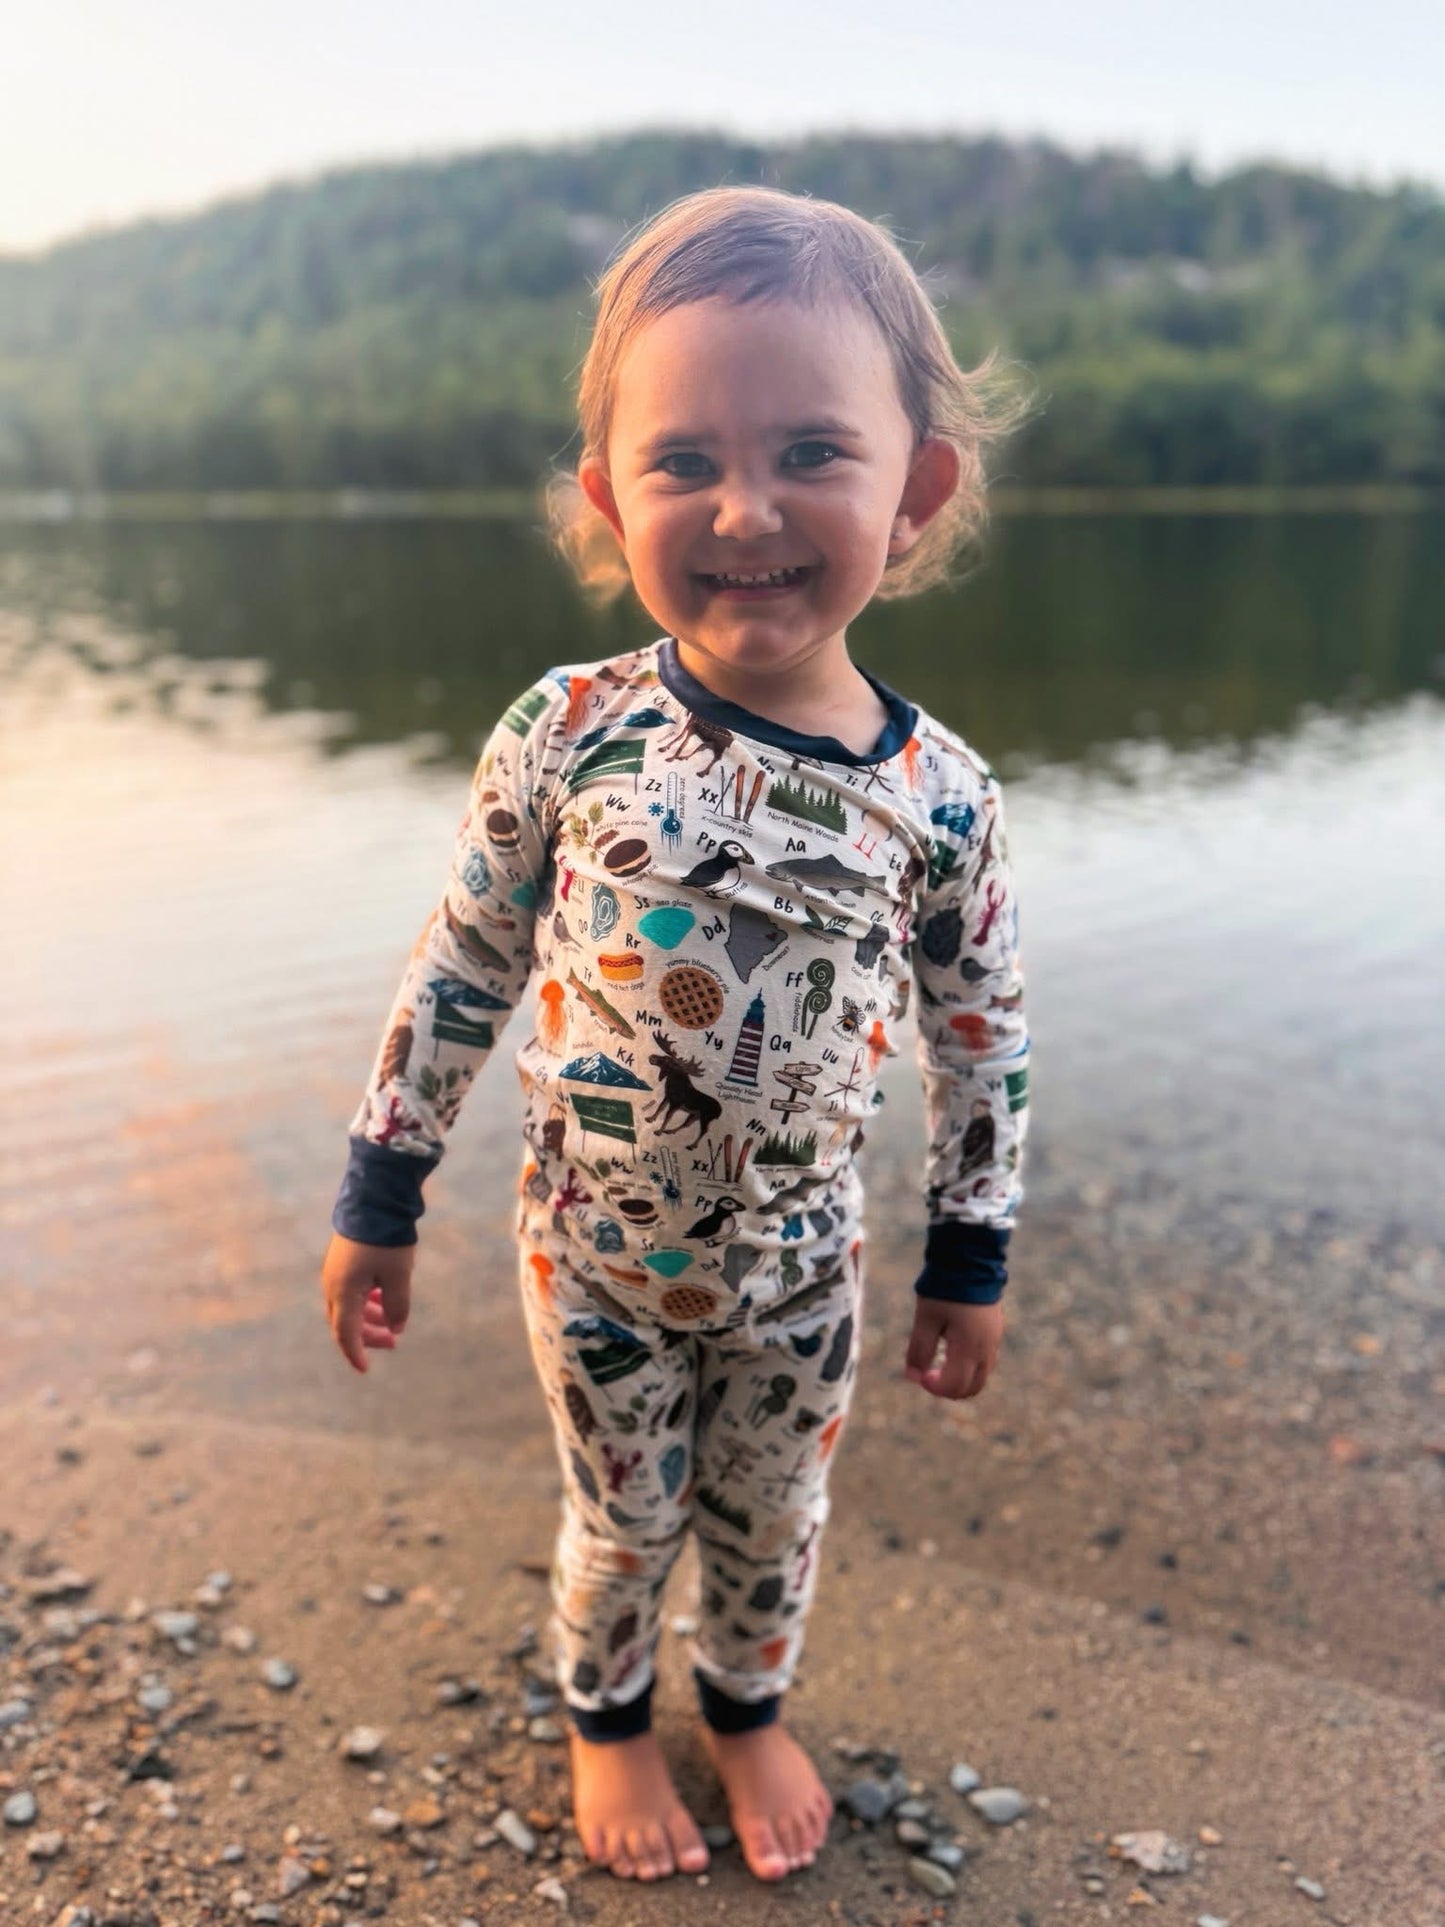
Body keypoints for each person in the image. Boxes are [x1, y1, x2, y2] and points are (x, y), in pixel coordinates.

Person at [319, 183, 1034, 1886]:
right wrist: (378, 1189)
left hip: (801, 1268)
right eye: (683, 461)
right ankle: (609, 1721)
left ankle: (748, 1701)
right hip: (596, 1258)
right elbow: (464, 967)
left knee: (776, 1515)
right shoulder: (568, 735)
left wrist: (970, 1255)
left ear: (914, 489)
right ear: (603, 496)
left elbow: (981, 1041)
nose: (745, 507)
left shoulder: (938, 801)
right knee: (623, 1515)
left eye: (809, 449)